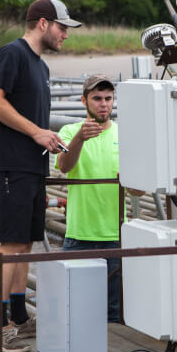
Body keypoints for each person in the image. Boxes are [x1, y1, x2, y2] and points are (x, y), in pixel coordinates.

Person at [0, 0, 81, 352]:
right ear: (43, 23)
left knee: (24, 243)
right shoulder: (12, 54)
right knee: (11, 244)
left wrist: (44, 137)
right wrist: (36, 132)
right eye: (62, 27)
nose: (65, 35)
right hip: (10, 164)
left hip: (31, 164)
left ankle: (19, 317)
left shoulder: (40, 66)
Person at [55, 74, 126, 323]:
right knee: (75, 311)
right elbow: (64, 166)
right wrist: (80, 139)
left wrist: (132, 178)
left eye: (108, 98)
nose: (103, 104)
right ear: (84, 100)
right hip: (79, 236)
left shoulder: (124, 133)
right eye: (97, 98)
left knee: (115, 315)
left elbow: (140, 191)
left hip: (115, 238)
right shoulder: (69, 131)